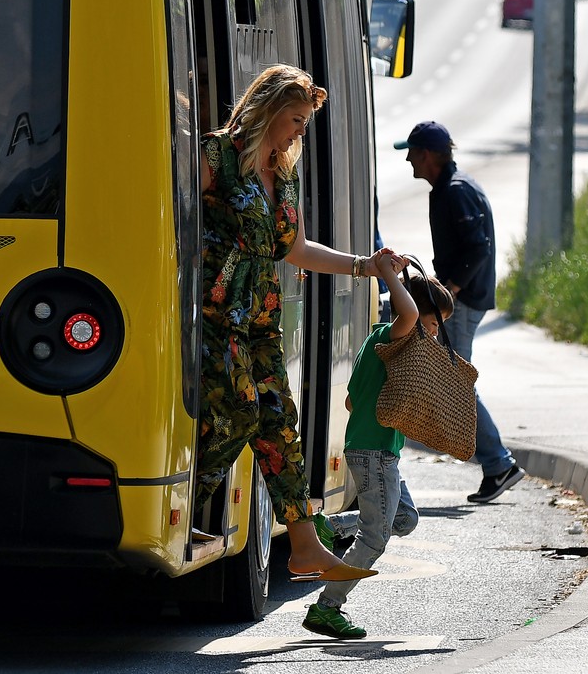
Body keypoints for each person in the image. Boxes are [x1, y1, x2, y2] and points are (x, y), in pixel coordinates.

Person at [197, 63, 403, 583]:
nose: (298, 132)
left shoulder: (282, 172)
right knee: (241, 412)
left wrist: (364, 266)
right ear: (266, 110)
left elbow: (296, 249)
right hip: (217, 313)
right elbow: (172, 223)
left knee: (281, 428)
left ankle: (306, 546)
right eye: (294, 119)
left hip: (262, 318)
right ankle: (188, 504)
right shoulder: (214, 156)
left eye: (304, 123)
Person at [304, 264, 456, 641]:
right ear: (414, 316)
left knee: (404, 519)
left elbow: (353, 401)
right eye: (434, 325)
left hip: (379, 452)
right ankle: (326, 608)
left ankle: (331, 525)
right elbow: (407, 314)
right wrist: (388, 274)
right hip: (375, 454)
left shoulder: (375, 344)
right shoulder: (394, 337)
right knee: (374, 538)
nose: (436, 334)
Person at [396, 121, 524, 504]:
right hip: (465, 297)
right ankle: (497, 463)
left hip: (464, 302)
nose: (408, 160)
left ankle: (499, 464)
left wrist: (448, 290)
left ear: (429, 155)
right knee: (454, 379)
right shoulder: (449, 188)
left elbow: (478, 248)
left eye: (413, 152)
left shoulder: (455, 191)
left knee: (457, 381)